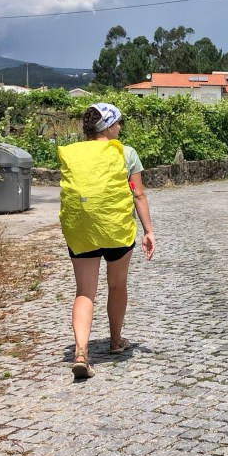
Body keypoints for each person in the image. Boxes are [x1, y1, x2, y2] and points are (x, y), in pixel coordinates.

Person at [61, 103, 155, 380]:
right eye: (118, 123)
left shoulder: (74, 152)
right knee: (117, 284)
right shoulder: (126, 153)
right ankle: (115, 341)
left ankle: (80, 353)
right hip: (116, 229)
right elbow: (138, 194)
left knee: (84, 291)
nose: (120, 127)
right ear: (109, 126)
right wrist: (148, 231)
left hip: (82, 230)